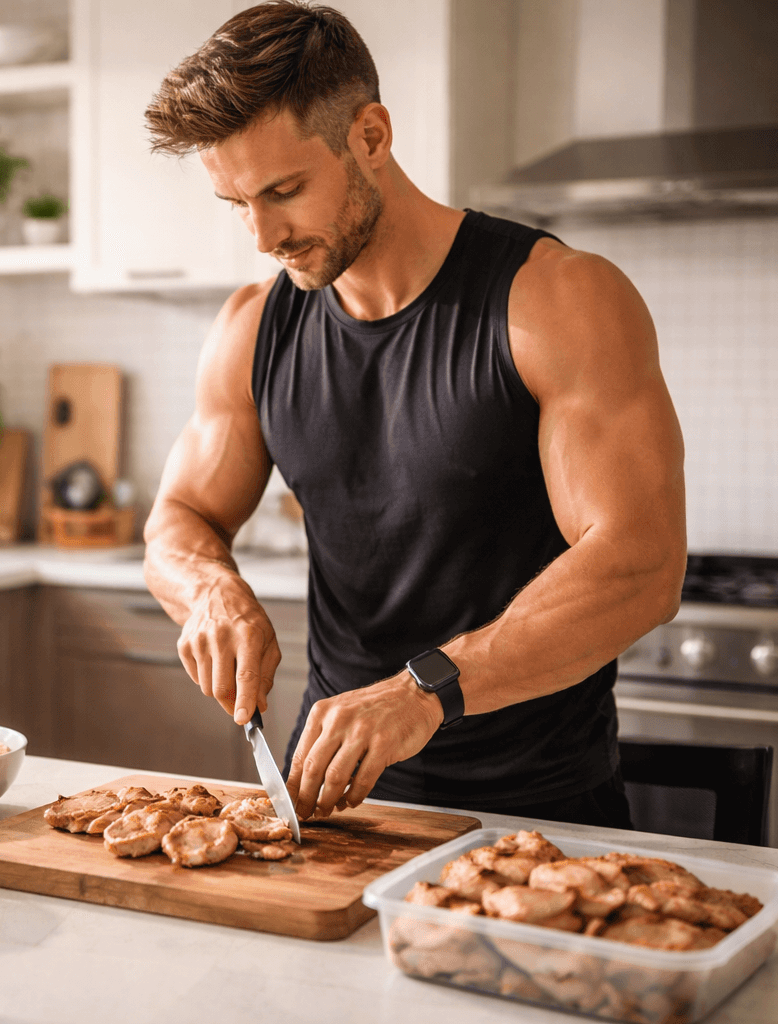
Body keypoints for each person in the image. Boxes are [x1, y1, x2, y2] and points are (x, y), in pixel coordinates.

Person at [139, 1, 687, 829]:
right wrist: (210, 589)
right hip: (328, 803)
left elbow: (642, 564)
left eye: (285, 191)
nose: (263, 235)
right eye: (236, 202)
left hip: (538, 811)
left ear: (370, 135)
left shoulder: (555, 299)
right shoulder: (253, 327)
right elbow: (178, 519)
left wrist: (423, 691)